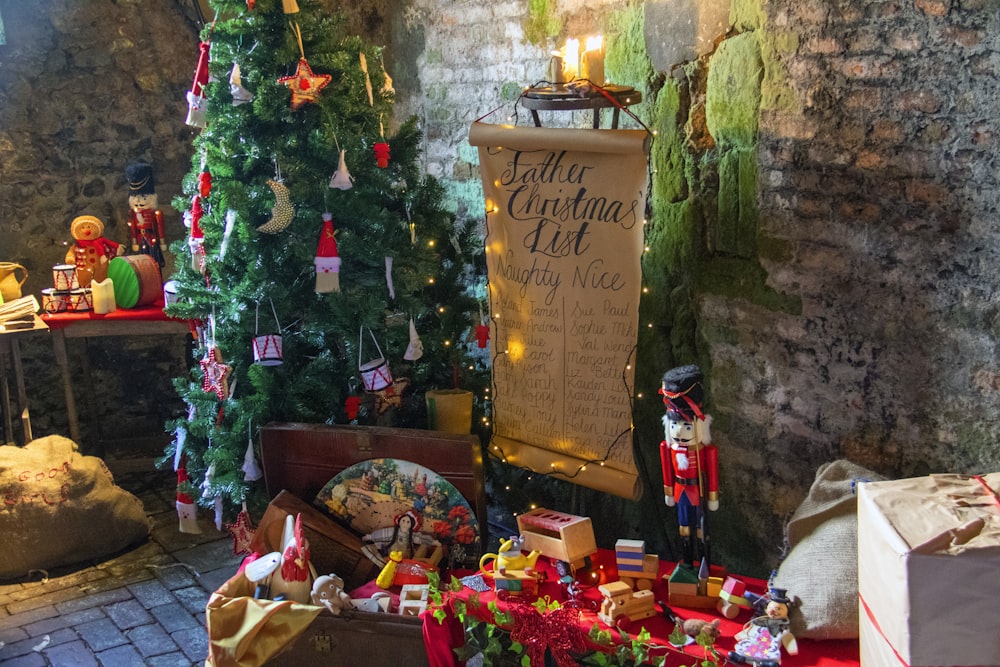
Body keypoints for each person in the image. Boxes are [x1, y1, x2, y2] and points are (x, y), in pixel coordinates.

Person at [659, 364, 718, 566]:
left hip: (697, 489)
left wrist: (712, 496)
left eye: (685, 426)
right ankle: (686, 561)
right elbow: (667, 469)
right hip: (679, 490)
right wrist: (668, 492)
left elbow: (711, 471)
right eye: (674, 425)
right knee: (683, 527)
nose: (678, 431)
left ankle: (704, 562)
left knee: (702, 529)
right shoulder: (669, 448)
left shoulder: (704, 451)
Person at [728, 588, 799, 666]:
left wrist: (792, 649)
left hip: (769, 645)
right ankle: (741, 657)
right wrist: (741, 635)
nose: (773, 611)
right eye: (771, 608)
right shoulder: (760, 621)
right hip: (756, 642)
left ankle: (766, 663)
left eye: (778, 609)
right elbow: (752, 630)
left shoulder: (782, 627)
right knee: (748, 648)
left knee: (769, 654)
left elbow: (788, 638)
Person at [125, 161, 167, 267]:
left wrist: (162, 242)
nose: (139, 202)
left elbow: (159, 228)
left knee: (154, 260)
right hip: (140, 240)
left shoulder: (155, 214)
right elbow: (133, 228)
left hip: (151, 238)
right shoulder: (132, 214)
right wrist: (134, 241)